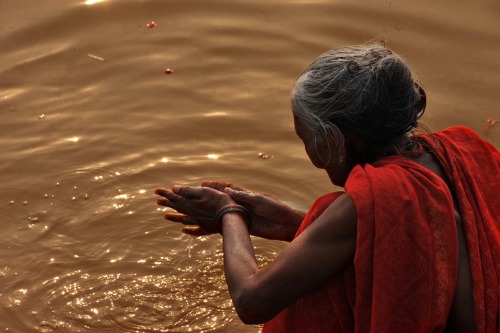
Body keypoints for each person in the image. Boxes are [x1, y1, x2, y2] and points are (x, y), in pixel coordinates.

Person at [155, 42, 499, 332]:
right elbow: (417, 238)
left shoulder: (369, 201)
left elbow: (252, 301)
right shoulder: (463, 150)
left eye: (306, 138)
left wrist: (228, 214)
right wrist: (296, 224)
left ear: (333, 139)